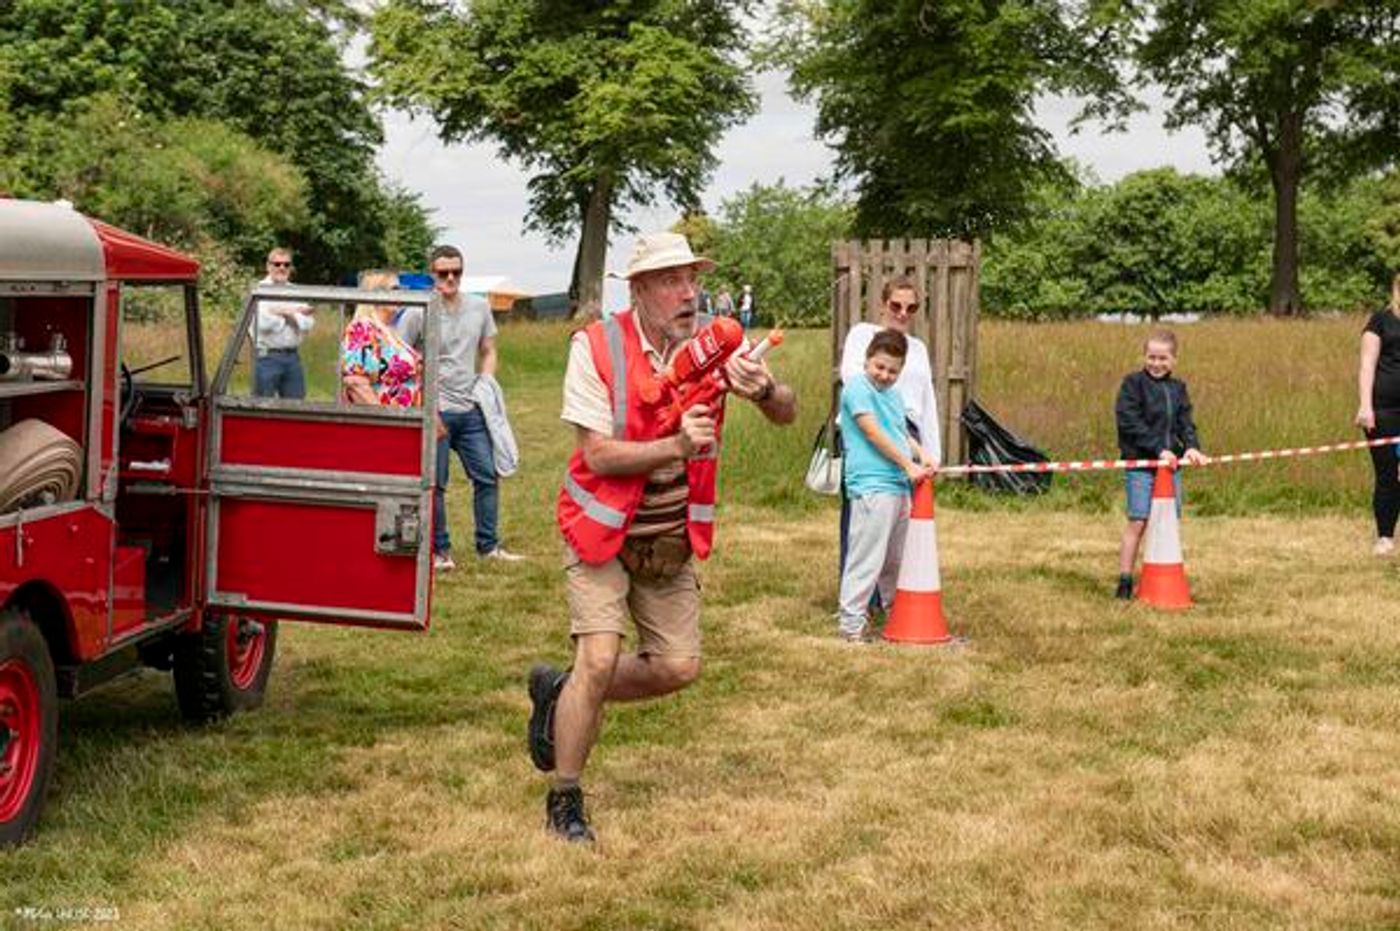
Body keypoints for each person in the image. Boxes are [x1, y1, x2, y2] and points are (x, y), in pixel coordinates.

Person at [526, 231, 796, 843]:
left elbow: (788, 413)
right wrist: (676, 445)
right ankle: (565, 800)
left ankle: (562, 692)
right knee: (598, 657)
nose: (688, 292)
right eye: (672, 281)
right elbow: (594, 455)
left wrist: (765, 390)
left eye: (692, 279)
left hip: (668, 536)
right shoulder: (594, 347)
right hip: (599, 527)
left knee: (678, 666)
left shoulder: (712, 348)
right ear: (640, 289)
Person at [398, 245, 523, 571]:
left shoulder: (480, 307)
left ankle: (489, 546)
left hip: (471, 410)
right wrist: (425, 406)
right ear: (432, 275)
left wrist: (486, 382)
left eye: (456, 272)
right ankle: (441, 552)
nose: (450, 278)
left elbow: (489, 349)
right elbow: (400, 360)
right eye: (443, 273)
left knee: (487, 476)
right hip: (434, 411)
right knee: (435, 485)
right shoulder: (418, 312)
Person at [838, 276, 941, 579]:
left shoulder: (918, 349)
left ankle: (894, 599)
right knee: (864, 518)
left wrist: (930, 451)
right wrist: (886, 426)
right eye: (896, 305)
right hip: (868, 426)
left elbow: (927, 400)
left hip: (909, 432)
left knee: (900, 523)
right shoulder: (862, 335)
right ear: (883, 305)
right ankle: (858, 600)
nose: (902, 313)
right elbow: (853, 380)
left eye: (911, 308)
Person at [837, 329, 934, 642]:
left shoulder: (893, 395)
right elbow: (873, 433)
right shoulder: (856, 388)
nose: (885, 375)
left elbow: (897, 431)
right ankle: (851, 625)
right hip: (872, 487)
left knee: (896, 561)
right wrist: (908, 465)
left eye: (893, 371)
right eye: (879, 367)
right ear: (867, 361)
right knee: (867, 558)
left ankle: (899, 615)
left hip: (898, 487)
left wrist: (922, 454)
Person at [1114, 329, 1207, 599]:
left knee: (1166, 522)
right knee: (1138, 521)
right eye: (1151, 357)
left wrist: (1192, 448)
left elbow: (1185, 423)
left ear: (1174, 360)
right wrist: (1159, 450)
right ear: (1144, 356)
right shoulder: (1132, 384)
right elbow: (1130, 422)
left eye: (1163, 358)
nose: (1156, 363)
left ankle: (1161, 578)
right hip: (1141, 466)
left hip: (1170, 470)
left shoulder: (1178, 389)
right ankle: (1124, 580)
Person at [1355, 273, 1400, 556]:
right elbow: (1367, 365)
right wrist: (1365, 406)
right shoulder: (1380, 321)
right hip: (1383, 410)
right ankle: (1385, 536)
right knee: (1388, 476)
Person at [341, 270, 422, 408]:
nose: (401, 294)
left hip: (406, 421)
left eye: (401, 289)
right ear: (376, 293)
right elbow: (356, 384)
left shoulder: (390, 331)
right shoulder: (363, 329)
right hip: (384, 424)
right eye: (395, 289)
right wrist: (384, 420)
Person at [252, 247, 314, 398]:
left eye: (286, 264)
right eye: (277, 264)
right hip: (266, 358)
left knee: (295, 408)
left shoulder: (297, 291)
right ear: (268, 266)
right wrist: (294, 312)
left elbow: (308, 324)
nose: (282, 268)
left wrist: (280, 311)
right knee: (262, 408)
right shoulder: (259, 290)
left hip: (292, 358)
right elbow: (263, 324)